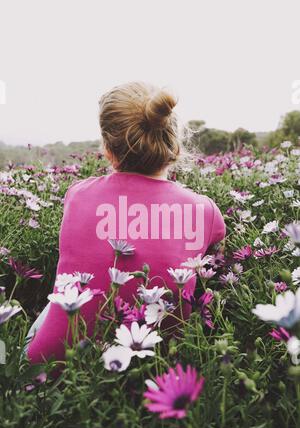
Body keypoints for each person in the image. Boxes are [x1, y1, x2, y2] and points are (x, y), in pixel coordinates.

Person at [27, 81, 226, 363]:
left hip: (52, 366)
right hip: (155, 367)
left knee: (53, 304)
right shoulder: (204, 210)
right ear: (175, 147)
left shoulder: (78, 195)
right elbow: (217, 268)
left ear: (108, 149)